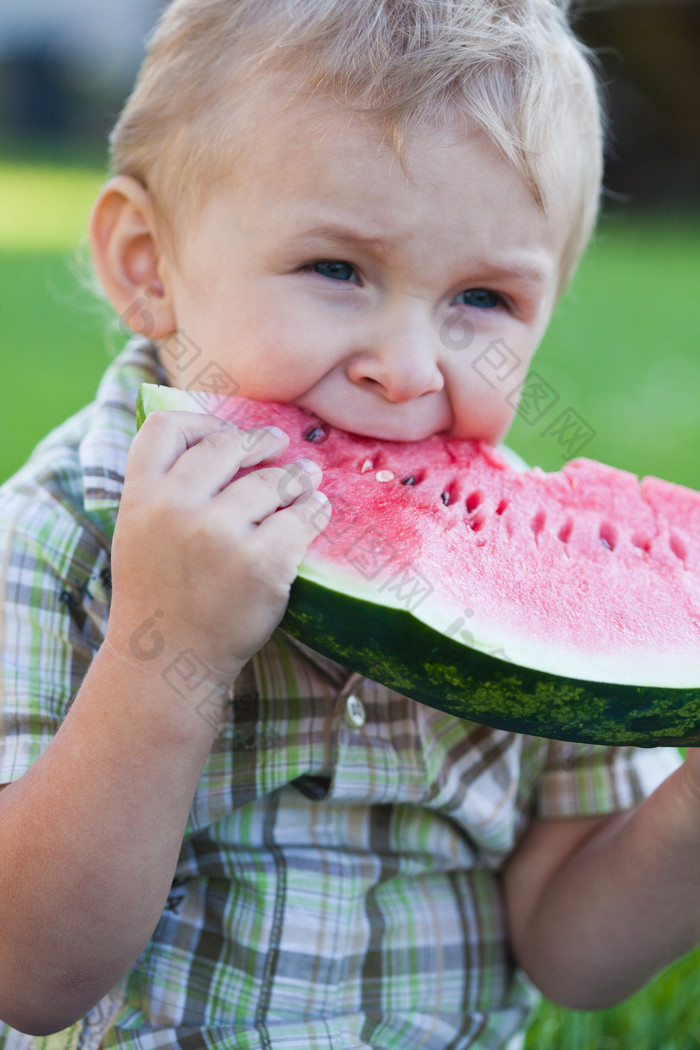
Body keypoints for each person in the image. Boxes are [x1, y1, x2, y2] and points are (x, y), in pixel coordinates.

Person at [0, 1, 694, 1048]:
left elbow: (569, 951)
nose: (407, 367)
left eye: (483, 298)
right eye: (337, 270)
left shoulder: (518, 578)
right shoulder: (56, 533)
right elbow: (27, 970)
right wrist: (166, 652)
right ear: (147, 264)